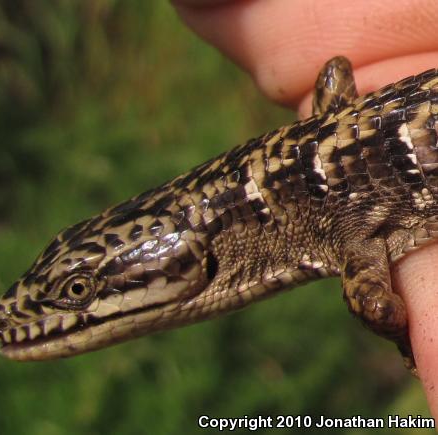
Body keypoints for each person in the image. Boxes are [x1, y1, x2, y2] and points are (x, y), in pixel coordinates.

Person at [173, 0, 438, 418]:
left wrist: (402, 340)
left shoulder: (354, 254)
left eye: (80, 292)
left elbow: (382, 308)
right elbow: (335, 71)